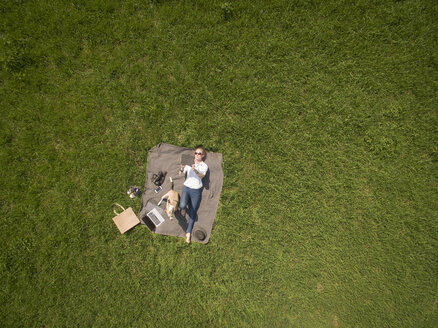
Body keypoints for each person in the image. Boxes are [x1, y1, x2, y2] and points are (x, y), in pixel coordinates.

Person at [179, 146, 208, 243]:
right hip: (186, 188)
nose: (196, 155)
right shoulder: (189, 161)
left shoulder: (204, 166)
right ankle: (183, 208)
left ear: (203, 156)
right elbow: (180, 175)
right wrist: (182, 168)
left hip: (196, 191)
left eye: (199, 153)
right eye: (195, 153)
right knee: (182, 205)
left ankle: (188, 233)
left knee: (192, 212)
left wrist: (194, 168)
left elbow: (201, 176)